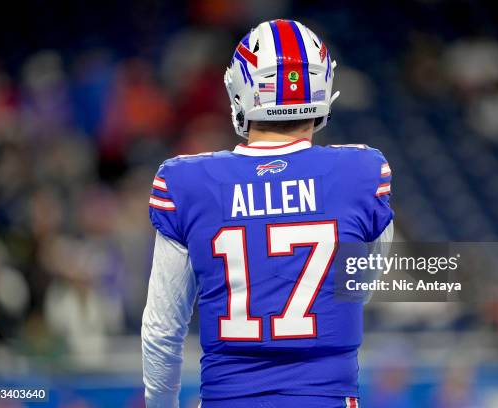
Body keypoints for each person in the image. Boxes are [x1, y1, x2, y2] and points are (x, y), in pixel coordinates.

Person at [142, 19, 394, 408]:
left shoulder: (189, 181)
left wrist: (162, 404)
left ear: (241, 89)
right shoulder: (360, 173)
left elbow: (162, 328)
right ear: (323, 88)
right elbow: (362, 284)